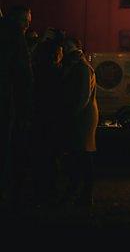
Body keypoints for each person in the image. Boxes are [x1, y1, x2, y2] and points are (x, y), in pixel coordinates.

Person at [0, 5, 33, 208]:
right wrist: (25, 110)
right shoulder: (14, 36)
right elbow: (23, 77)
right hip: (5, 102)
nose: (28, 26)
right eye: (27, 22)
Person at [58, 36, 97, 208]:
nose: (65, 48)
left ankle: (84, 193)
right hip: (81, 113)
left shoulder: (81, 67)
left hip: (83, 115)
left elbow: (83, 95)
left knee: (83, 153)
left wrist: (72, 113)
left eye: (68, 45)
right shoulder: (77, 65)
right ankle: (79, 191)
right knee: (80, 153)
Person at [29, 30, 63, 203]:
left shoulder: (35, 71)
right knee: (51, 158)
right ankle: (50, 192)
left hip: (37, 118)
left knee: (39, 157)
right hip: (52, 120)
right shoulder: (58, 73)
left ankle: (38, 191)